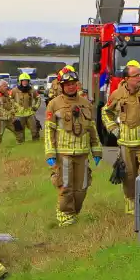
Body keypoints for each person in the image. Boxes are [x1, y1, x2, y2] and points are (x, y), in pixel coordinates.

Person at [44, 69, 103, 226]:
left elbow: (92, 128)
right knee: (65, 187)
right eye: (67, 84)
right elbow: (49, 131)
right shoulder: (54, 104)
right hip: (63, 154)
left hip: (83, 153)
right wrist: (50, 153)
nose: (71, 87)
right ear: (62, 86)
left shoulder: (86, 103)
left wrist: (96, 150)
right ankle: (65, 215)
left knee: (82, 188)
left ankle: (72, 213)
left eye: (73, 84)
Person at [101, 60, 140, 213]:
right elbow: (106, 112)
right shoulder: (117, 94)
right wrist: (113, 128)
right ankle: (131, 205)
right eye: (136, 75)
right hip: (125, 145)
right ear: (126, 79)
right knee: (128, 176)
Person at [11, 73, 42, 142]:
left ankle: (36, 141)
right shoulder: (14, 90)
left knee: (35, 128)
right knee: (19, 130)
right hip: (19, 114)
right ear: (20, 81)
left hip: (29, 113)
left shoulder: (32, 90)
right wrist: (14, 107)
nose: (25, 82)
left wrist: (36, 107)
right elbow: (9, 99)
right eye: (23, 81)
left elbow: (38, 98)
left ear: (28, 81)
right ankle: (20, 143)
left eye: (26, 81)